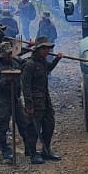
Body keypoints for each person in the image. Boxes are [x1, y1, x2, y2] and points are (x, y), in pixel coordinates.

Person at [0, 41, 35, 162]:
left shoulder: (16, 61)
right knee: (2, 124)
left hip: (15, 97)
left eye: (10, 53)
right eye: (7, 54)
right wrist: (5, 81)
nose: (9, 56)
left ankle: (28, 147)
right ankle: (4, 149)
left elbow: (25, 65)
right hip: (2, 99)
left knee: (23, 122)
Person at [20, 35, 64, 164]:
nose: (47, 51)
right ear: (38, 49)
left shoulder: (42, 61)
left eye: (48, 48)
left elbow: (48, 69)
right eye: (44, 48)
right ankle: (33, 153)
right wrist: (29, 105)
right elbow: (25, 86)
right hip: (35, 101)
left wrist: (57, 59)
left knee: (49, 124)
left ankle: (46, 150)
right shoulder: (29, 64)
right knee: (33, 128)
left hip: (45, 98)